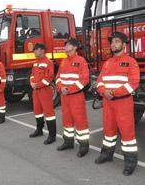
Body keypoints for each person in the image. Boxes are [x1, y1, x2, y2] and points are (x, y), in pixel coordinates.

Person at [95, 32, 140, 176]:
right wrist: (103, 91)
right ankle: (107, 154)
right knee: (108, 130)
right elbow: (99, 81)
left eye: (116, 42)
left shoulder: (131, 62)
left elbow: (133, 83)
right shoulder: (107, 63)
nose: (113, 44)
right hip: (108, 103)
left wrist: (113, 93)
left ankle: (130, 162)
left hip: (123, 103)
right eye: (112, 42)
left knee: (127, 133)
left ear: (123, 45)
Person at [55, 37, 90, 157]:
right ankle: (68, 142)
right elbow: (58, 77)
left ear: (74, 48)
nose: (65, 47)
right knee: (67, 120)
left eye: (67, 45)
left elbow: (84, 80)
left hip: (76, 97)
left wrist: (69, 90)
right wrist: (60, 87)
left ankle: (84, 146)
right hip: (65, 97)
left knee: (80, 121)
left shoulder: (81, 60)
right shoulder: (64, 61)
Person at [29, 43, 56, 145]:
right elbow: (32, 74)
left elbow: (49, 78)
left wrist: (38, 85)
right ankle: (39, 130)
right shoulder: (35, 63)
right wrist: (31, 82)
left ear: (42, 50)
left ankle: (52, 136)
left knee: (49, 114)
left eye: (36, 49)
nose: (35, 51)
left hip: (44, 91)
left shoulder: (48, 62)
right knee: (37, 111)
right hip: (36, 91)